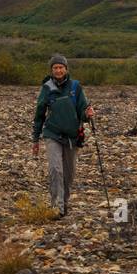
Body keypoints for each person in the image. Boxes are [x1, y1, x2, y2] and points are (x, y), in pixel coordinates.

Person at [31, 54, 93, 216]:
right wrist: (35, 139)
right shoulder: (46, 88)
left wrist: (88, 114)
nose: (58, 70)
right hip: (52, 134)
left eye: (61, 67)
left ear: (66, 69)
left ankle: (64, 204)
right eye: (55, 68)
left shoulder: (75, 87)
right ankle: (56, 207)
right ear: (51, 70)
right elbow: (39, 115)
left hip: (72, 137)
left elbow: (83, 111)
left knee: (69, 174)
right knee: (55, 169)